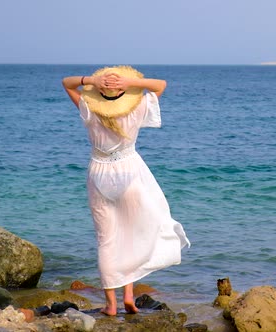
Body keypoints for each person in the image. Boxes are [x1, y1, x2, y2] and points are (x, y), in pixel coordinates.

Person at [62, 66, 190, 316]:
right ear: (125, 93)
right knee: (131, 234)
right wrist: (129, 82)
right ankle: (129, 297)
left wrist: (93, 80)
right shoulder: (137, 107)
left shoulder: (88, 108)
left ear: (98, 93)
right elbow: (160, 84)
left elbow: (67, 83)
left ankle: (111, 305)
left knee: (106, 239)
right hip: (130, 172)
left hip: (98, 172)